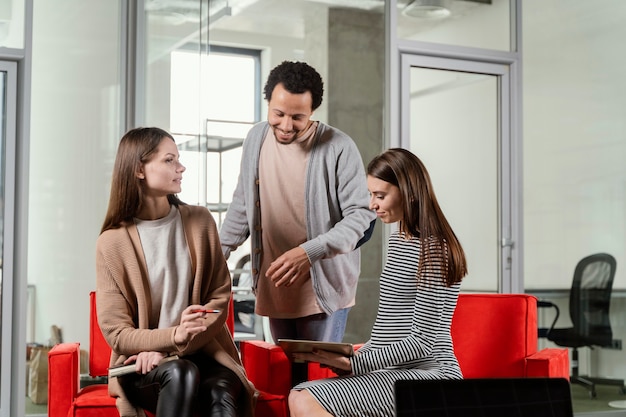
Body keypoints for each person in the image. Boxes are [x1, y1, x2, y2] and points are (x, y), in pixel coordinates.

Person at [287, 148, 468, 417]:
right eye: (370, 195)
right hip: (394, 371)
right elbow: (388, 329)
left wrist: (357, 364)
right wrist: (349, 357)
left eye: (380, 196)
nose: (372, 205)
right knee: (301, 393)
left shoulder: (433, 251)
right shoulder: (398, 241)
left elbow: (423, 341)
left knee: (304, 397)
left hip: (432, 375)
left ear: (409, 192)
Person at [95, 127, 256, 417]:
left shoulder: (200, 221)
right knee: (180, 374)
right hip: (139, 365)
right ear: (139, 170)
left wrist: (171, 348)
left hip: (203, 354)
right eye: (169, 160)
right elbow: (117, 334)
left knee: (218, 389)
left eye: (178, 159)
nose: (181, 167)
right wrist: (169, 340)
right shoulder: (112, 242)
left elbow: (218, 301)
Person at [220, 60, 376, 347]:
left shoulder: (339, 147)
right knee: (283, 382)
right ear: (267, 102)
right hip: (276, 288)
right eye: (278, 114)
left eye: (298, 117)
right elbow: (242, 206)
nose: (286, 125)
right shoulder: (255, 138)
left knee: (316, 385)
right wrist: (217, 253)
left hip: (323, 291)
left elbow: (360, 217)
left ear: (312, 112)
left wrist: (308, 253)